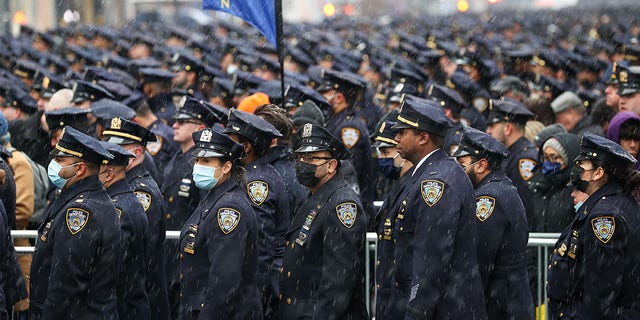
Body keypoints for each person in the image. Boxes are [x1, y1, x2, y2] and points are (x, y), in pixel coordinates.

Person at [388, 95, 487, 319]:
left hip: (444, 308)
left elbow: (430, 259)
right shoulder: (435, 171)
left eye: (402, 133)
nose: (395, 138)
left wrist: (416, 311)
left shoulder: (436, 182)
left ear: (423, 138)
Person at [278, 123, 368, 319]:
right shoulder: (315, 195)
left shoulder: (342, 204)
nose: (303, 163)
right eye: (300, 157)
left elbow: (338, 281)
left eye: (311, 158)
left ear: (332, 165)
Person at [29, 126, 121, 319]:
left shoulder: (80, 211)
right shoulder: (89, 199)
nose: (53, 164)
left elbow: (66, 284)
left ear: (80, 169)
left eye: (60, 160)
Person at [547, 132, 640, 319]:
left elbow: (600, 295)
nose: (576, 169)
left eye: (581, 164)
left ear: (598, 173)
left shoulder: (605, 216)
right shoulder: (612, 203)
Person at [179, 127, 263, 319]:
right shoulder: (216, 196)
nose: (199, 166)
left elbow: (224, 281)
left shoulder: (229, 209)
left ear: (226, 167)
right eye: (198, 160)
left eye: (206, 161)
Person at [452, 127, 534, 319]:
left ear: (481, 165)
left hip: (499, 307)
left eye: (462, 164)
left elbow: (478, 261)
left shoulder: (488, 199)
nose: (458, 171)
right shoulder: (500, 188)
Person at [223, 108, 290, 319]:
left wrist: (254, 300)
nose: (225, 146)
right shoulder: (250, 174)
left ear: (246, 147)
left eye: (230, 140)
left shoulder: (257, 183)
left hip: (258, 288)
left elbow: (260, 248)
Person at [102, 117, 170, 320]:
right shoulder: (124, 184)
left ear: (136, 153)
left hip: (139, 296)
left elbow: (143, 254)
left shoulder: (141, 193)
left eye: (115, 149)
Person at [162, 96, 220, 317]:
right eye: (175, 119)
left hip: (186, 252)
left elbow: (203, 210)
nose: (174, 125)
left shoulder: (201, 165)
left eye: (182, 121)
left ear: (201, 127)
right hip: (170, 250)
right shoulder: (178, 156)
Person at [98, 141, 150, 320]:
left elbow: (110, 265)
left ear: (109, 174)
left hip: (122, 307)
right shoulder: (124, 201)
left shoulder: (118, 209)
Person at [373, 118, 414, 319]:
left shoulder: (412, 185)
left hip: (400, 294)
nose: (382, 158)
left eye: (386, 152)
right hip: (389, 291)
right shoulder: (396, 183)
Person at [485, 99, 538, 226]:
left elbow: (527, 205)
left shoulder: (523, 159)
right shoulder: (509, 154)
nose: (488, 131)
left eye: (492, 126)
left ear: (508, 128)